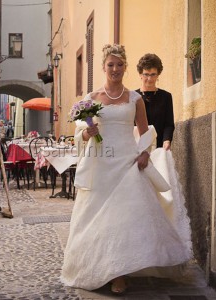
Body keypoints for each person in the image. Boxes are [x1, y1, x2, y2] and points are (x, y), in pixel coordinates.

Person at [60, 44, 192, 294]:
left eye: (120, 64)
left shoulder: (135, 98)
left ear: (126, 68)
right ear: (103, 67)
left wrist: (144, 152)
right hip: (101, 163)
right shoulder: (91, 98)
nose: (115, 69)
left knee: (123, 216)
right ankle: (102, 266)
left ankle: (119, 273)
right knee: (100, 217)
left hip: (127, 162)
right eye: (111, 64)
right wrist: (88, 132)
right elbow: (80, 134)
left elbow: (145, 132)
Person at [135, 53, 174, 150]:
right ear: (140, 74)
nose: (149, 79)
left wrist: (167, 140)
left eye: (153, 74)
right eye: (146, 74)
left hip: (159, 148)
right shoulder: (133, 97)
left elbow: (169, 124)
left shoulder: (166, 97)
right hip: (137, 148)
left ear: (158, 74)